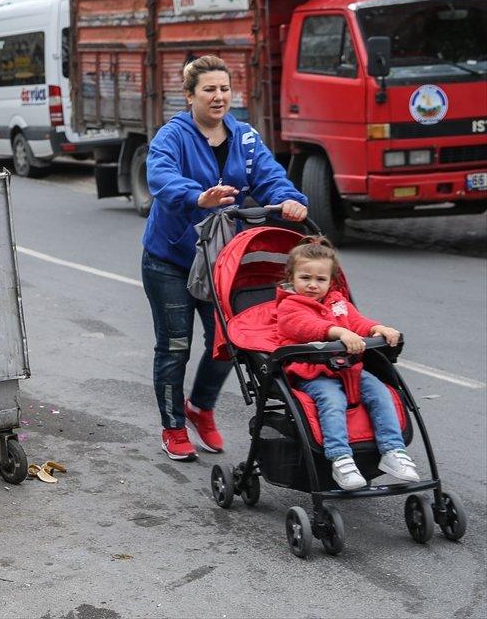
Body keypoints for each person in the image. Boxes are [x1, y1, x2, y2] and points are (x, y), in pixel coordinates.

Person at [142, 55, 308, 461]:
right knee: (175, 345)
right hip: (170, 259)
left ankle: (201, 408)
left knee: (229, 342)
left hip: (221, 260)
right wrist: (196, 196)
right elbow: (160, 176)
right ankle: (173, 426)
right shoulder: (172, 136)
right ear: (189, 95)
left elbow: (271, 178)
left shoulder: (245, 137)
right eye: (209, 90)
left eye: (224, 89)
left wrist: (290, 202)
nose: (219, 97)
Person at [276, 237, 418, 490]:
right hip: (312, 373)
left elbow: (356, 321)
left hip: (347, 369)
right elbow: (304, 326)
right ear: (291, 277)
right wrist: (337, 332)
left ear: (331, 281)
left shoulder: (338, 302)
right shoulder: (290, 305)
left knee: (381, 392)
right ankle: (340, 458)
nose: (312, 285)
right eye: (305, 277)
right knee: (332, 401)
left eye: (320, 280)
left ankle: (392, 450)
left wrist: (377, 328)